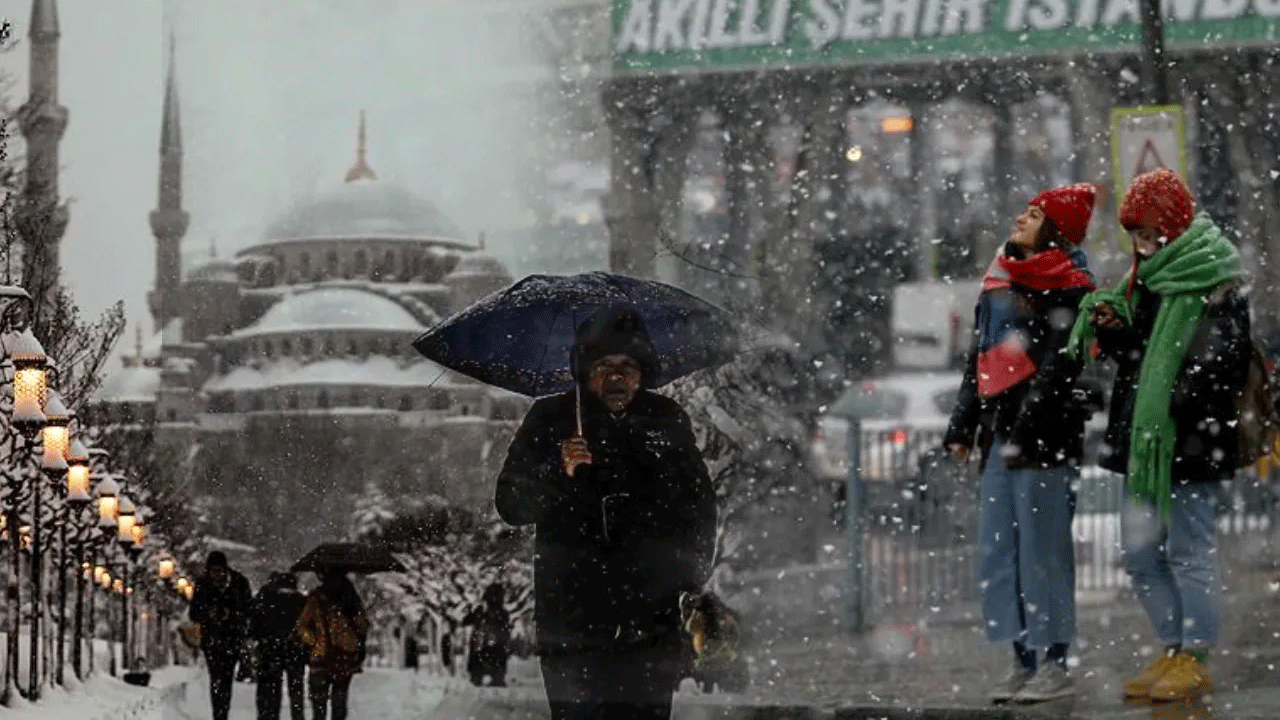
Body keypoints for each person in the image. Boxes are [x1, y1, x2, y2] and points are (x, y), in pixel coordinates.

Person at [1067, 167, 1250, 702]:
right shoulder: (1146, 279)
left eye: (1150, 234)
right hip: (1145, 441)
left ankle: (1196, 655)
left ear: (1173, 225)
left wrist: (1175, 398)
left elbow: (1224, 365)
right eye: (1135, 237)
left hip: (1191, 439)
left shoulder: (1215, 278)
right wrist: (1115, 332)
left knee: (1191, 550)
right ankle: (1172, 648)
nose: (1143, 247)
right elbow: (1139, 359)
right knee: (1141, 552)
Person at [495, 305, 717, 720]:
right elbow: (510, 504)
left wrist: (685, 577)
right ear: (584, 370)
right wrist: (556, 472)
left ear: (642, 371)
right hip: (571, 618)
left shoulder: (665, 420)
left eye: (627, 366)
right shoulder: (551, 418)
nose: (616, 378)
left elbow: (699, 506)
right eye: (603, 366)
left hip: (648, 618)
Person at [945, 183, 1099, 704]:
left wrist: (1027, 423)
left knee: (1043, 552)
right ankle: (1021, 659)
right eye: (1025, 211)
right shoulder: (998, 280)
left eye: (1034, 215)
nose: (1021, 219)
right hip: (999, 437)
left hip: (1043, 441)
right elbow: (979, 360)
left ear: (1055, 230)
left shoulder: (1070, 286)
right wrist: (963, 427)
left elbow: (1062, 364)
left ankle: (1054, 660)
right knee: (997, 552)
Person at [295, 567, 369, 720]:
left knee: (318, 704)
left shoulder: (316, 598)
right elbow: (363, 625)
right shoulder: (352, 599)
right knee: (339, 703)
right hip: (345, 656)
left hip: (320, 656)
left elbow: (302, 626)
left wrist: (314, 640)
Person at [188, 551, 253, 720]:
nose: (216, 574)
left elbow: (249, 610)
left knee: (226, 678)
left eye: (219, 570)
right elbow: (193, 613)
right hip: (212, 640)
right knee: (217, 678)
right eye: (212, 570)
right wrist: (207, 613)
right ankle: (219, 714)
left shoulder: (239, 583)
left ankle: (222, 711)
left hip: (232, 639)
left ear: (225, 569)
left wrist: (230, 614)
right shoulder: (203, 584)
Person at [249, 572, 308, 720]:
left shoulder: (265, 597)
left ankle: (267, 716)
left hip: (269, 650)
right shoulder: (300, 600)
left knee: (269, 692)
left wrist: (259, 639)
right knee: (296, 691)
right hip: (295, 650)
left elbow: (253, 624)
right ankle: (297, 716)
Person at [461, 581, 512, 687]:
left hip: (483, 642)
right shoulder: (501, 613)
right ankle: (496, 678)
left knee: (479, 659)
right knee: (496, 659)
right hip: (494, 643)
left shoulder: (483, 610)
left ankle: (480, 677)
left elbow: (467, 620)